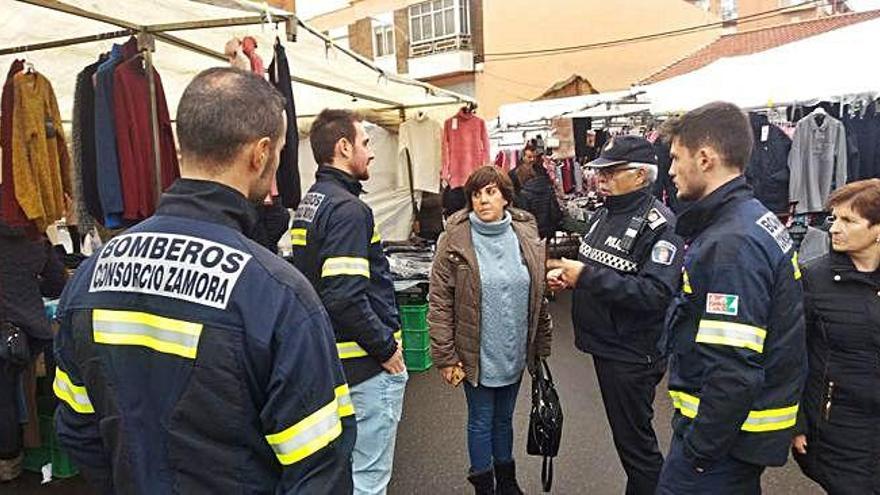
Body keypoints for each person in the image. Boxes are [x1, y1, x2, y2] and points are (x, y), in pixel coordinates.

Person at [53, 68, 355, 493]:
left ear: (183, 145)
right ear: (260, 153)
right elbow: (320, 467)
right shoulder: (278, 295)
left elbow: (76, 427)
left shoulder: (90, 276)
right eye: (282, 150)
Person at [655, 101, 806, 494]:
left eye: (675, 158)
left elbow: (734, 368)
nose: (670, 171)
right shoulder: (751, 218)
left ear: (704, 158)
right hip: (735, 439)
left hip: (721, 444)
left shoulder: (732, 243)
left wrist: (699, 452)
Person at [546, 135, 684, 495]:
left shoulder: (660, 227)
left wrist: (586, 277)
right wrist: (574, 281)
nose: (600, 178)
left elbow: (655, 293)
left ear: (641, 176)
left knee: (636, 446)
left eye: (611, 172)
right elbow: (603, 270)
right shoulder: (605, 212)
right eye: (599, 172)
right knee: (628, 439)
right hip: (606, 345)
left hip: (632, 353)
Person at [291, 109, 407, 495]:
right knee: (369, 479)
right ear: (343, 148)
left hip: (333, 360)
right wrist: (386, 349)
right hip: (364, 364)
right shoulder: (349, 210)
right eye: (365, 143)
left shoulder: (312, 202)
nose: (370, 153)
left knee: (344, 471)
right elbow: (344, 295)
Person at [429, 166, 552, 495]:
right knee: (482, 419)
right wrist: (445, 356)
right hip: (475, 350)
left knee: (504, 419)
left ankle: (507, 480)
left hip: (513, 347)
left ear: (506, 197)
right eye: (476, 194)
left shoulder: (525, 235)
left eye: (491, 192)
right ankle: (484, 485)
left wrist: (540, 344)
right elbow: (439, 301)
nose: (483, 200)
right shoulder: (454, 240)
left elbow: (537, 294)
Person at [792, 179, 880, 494]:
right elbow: (793, 355)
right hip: (837, 428)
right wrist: (797, 421)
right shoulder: (814, 279)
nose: (833, 228)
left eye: (848, 220)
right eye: (834, 218)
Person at [0, 225, 66, 481]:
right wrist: (30, 285)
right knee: (12, 393)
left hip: (10, 332)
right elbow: (57, 284)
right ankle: (11, 458)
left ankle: (9, 459)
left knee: (5, 396)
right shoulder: (33, 238)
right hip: (25, 331)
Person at [511, 145, 562, 241]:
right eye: (529, 157)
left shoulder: (524, 191)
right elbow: (555, 207)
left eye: (534, 157)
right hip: (548, 226)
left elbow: (524, 213)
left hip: (533, 227)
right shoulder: (545, 184)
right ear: (522, 157)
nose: (532, 159)